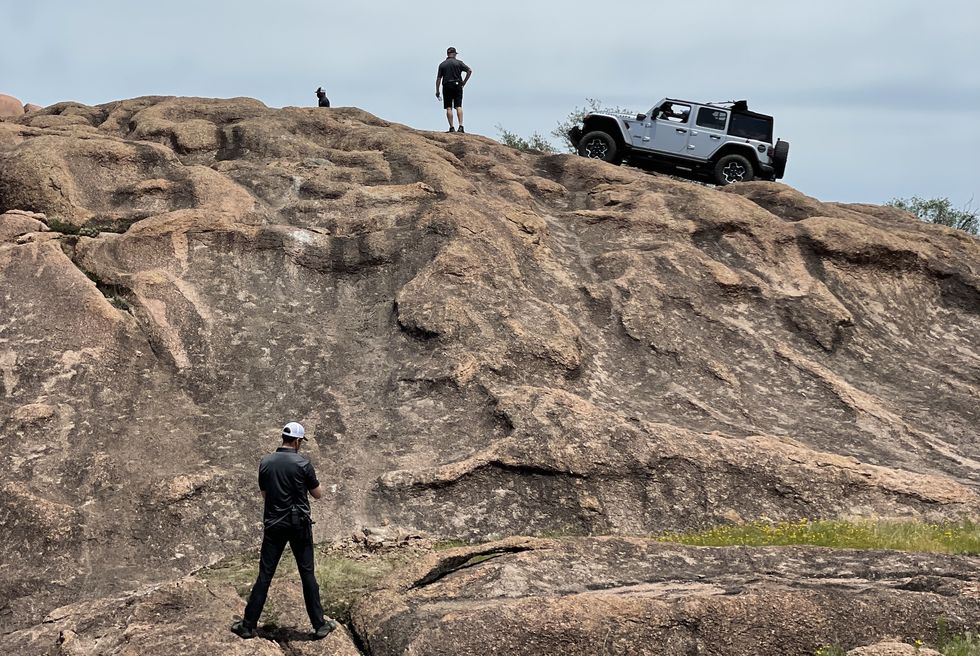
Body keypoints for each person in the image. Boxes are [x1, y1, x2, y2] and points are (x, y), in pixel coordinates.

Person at [230, 422, 338, 640]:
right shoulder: (303, 464)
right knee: (307, 573)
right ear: (297, 441)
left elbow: (265, 494)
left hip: (274, 525)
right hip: (299, 525)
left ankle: (248, 625)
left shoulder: (266, 462)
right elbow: (317, 494)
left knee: (265, 574)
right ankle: (319, 625)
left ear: (283, 438)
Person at [435, 46, 472, 133]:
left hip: (447, 85)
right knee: (458, 106)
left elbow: (438, 79)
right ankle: (461, 126)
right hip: (457, 85)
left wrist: (437, 91)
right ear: (454, 54)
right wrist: (464, 82)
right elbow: (469, 70)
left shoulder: (442, 64)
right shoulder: (459, 63)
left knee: (448, 108)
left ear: (447, 54)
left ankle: (451, 127)